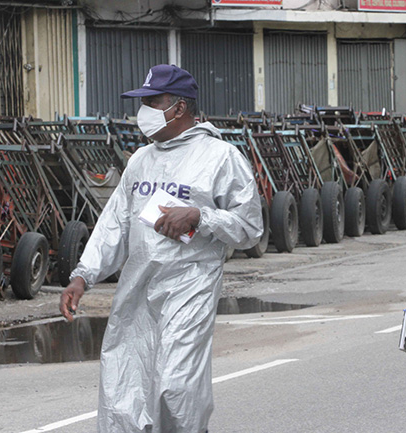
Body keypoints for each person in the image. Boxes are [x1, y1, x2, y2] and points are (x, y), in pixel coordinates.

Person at [59, 64, 263, 432]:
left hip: (189, 287)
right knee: (124, 386)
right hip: (138, 289)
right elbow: (114, 224)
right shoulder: (140, 159)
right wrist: (82, 276)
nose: (144, 110)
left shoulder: (221, 158)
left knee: (176, 386)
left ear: (180, 108)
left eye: (153, 101)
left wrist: (201, 217)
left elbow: (250, 228)